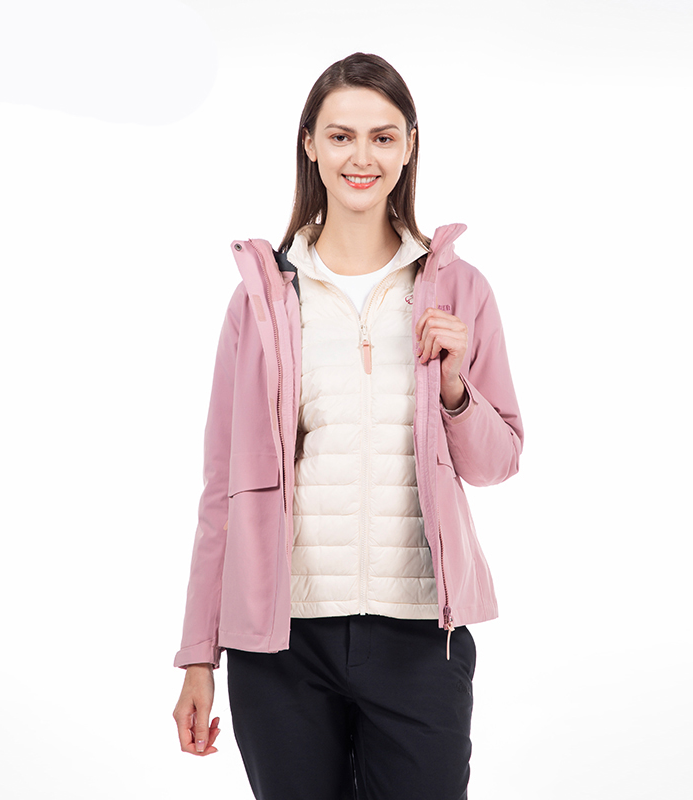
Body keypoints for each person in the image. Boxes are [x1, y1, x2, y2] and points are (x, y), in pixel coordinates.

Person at [172, 52, 524, 800]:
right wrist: (199, 653)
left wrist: (455, 387)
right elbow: (220, 489)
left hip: (421, 638)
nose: (362, 157)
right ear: (310, 144)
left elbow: (497, 464)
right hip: (282, 644)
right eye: (340, 136)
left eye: (383, 137)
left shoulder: (459, 289)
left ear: (410, 145)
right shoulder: (263, 300)